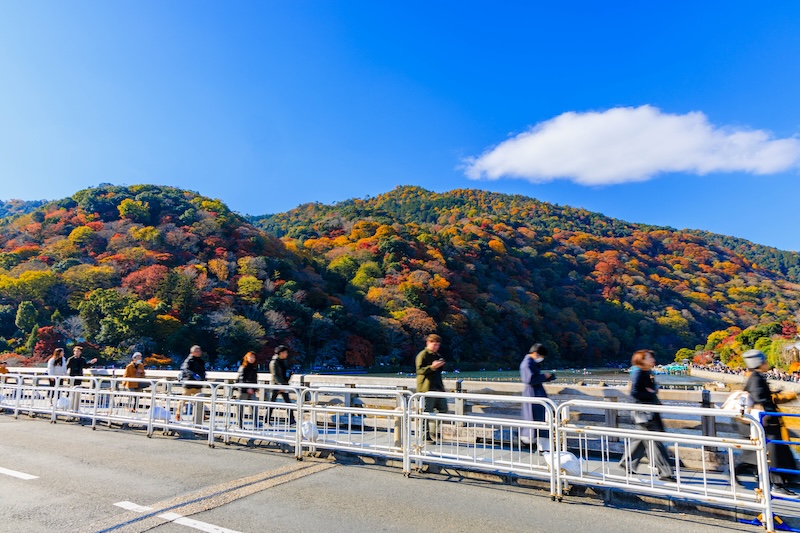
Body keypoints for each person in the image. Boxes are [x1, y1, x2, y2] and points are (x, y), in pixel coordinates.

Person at [735, 349, 798, 495]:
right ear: (758, 363)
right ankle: (777, 485)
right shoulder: (756, 378)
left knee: (764, 453)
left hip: (766, 422)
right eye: (764, 361)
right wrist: (770, 413)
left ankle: (734, 471)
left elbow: (764, 397)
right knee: (774, 452)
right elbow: (760, 399)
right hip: (766, 423)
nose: (766, 363)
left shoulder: (755, 376)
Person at [618, 349, 674, 481]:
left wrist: (652, 390)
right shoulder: (638, 371)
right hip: (643, 412)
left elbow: (649, 389)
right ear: (642, 359)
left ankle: (627, 462)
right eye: (649, 357)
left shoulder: (647, 371)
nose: (652, 360)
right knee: (654, 441)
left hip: (648, 411)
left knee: (641, 440)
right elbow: (635, 392)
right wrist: (651, 392)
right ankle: (665, 472)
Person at [519, 343, 556, 450]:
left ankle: (538, 444)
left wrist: (546, 377)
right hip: (532, 394)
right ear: (535, 353)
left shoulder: (530, 363)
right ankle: (533, 443)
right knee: (535, 418)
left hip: (535, 393)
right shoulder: (527, 364)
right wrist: (544, 376)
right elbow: (529, 380)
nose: (541, 359)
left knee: (537, 419)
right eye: (541, 356)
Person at [415, 334, 447, 443]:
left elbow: (439, 370)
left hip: (438, 387)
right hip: (426, 388)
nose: (436, 347)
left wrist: (440, 365)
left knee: (443, 409)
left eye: (437, 345)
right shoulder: (422, 355)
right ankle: (425, 435)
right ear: (428, 343)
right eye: (434, 344)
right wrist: (432, 367)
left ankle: (433, 431)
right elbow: (419, 370)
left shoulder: (436, 355)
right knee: (426, 413)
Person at [178, 345, 206, 424]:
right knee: (184, 400)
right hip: (189, 384)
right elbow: (186, 370)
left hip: (198, 384)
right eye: (197, 351)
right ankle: (178, 414)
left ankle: (201, 415)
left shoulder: (200, 361)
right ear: (192, 352)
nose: (199, 352)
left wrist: (203, 377)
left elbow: (202, 371)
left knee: (200, 400)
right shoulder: (189, 360)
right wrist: (194, 375)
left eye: (199, 351)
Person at [65, 346, 97, 413]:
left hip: (79, 377)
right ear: (74, 352)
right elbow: (66, 367)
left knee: (77, 392)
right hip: (72, 377)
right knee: (70, 392)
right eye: (75, 351)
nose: (77, 353)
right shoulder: (71, 359)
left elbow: (85, 366)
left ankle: (76, 407)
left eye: (78, 351)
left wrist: (91, 363)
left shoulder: (82, 359)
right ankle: (68, 406)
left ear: (80, 352)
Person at [269, 345, 295, 425]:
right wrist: (280, 385)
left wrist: (290, 375)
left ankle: (292, 420)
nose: (286, 354)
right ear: (280, 353)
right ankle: (267, 419)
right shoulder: (274, 362)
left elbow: (285, 372)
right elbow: (275, 374)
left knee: (288, 402)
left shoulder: (284, 361)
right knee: (272, 403)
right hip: (276, 385)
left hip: (284, 383)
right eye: (285, 352)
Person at [236, 351, 259, 427]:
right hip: (243, 390)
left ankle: (255, 423)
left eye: (253, 357)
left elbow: (255, 379)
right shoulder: (243, 367)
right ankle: (239, 423)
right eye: (250, 357)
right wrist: (247, 388)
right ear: (246, 358)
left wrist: (255, 388)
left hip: (252, 389)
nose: (252, 359)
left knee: (254, 406)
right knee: (240, 407)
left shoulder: (254, 368)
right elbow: (241, 379)